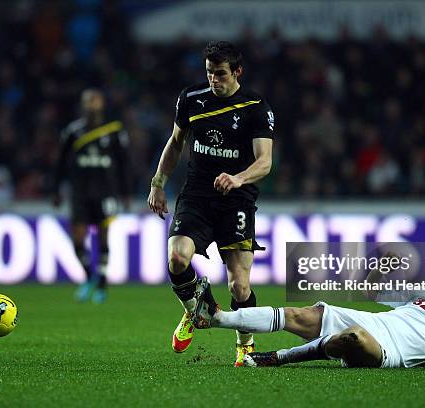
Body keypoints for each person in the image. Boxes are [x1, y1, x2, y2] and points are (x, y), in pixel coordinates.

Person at [147, 41, 274, 365]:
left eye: (220, 74)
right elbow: (175, 144)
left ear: (237, 72)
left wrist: (238, 178)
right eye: (209, 73)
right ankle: (197, 310)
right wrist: (158, 183)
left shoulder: (256, 107)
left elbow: (265, 162)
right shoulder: (191, 99)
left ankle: (244, 342)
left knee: (239, 287)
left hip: (236, 201)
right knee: (177, 257)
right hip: (197, 196)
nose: (214, 80)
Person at [192, 261, 425, 369]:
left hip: (389, 351)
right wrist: (379, 268)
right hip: (371, 322)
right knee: (301, 313)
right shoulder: (424, 296)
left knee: (352, 338)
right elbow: (371, 293)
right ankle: (215, 317)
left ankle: (279, 356)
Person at [53, 88, 130, 304]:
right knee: (77, 239)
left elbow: (124, 163)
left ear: (102, 104)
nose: (91, 105)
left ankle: (102, 284)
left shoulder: (114, 130)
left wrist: (125, 193)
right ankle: (89, 277)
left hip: (106, 191)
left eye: (95, 100)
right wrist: (56, 189)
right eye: (88, 101)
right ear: (82, 105)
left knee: (103, 237)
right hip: (79, 192)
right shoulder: (72, 131)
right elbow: (60, 162)